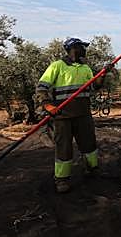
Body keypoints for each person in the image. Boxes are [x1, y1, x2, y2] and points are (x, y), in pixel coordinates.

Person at [36, 37, 111, 193]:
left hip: (83, 114)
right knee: (64, 148)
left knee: (89, 145)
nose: (85, 50)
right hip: (62, 116)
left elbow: (94, 87)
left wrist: (103, 75)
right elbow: (42, 87)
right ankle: (62, 180)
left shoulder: (85, 68)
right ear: (74, 48)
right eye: (83, 47)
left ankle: (92, 169)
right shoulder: (57, 66)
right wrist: (47, 105)